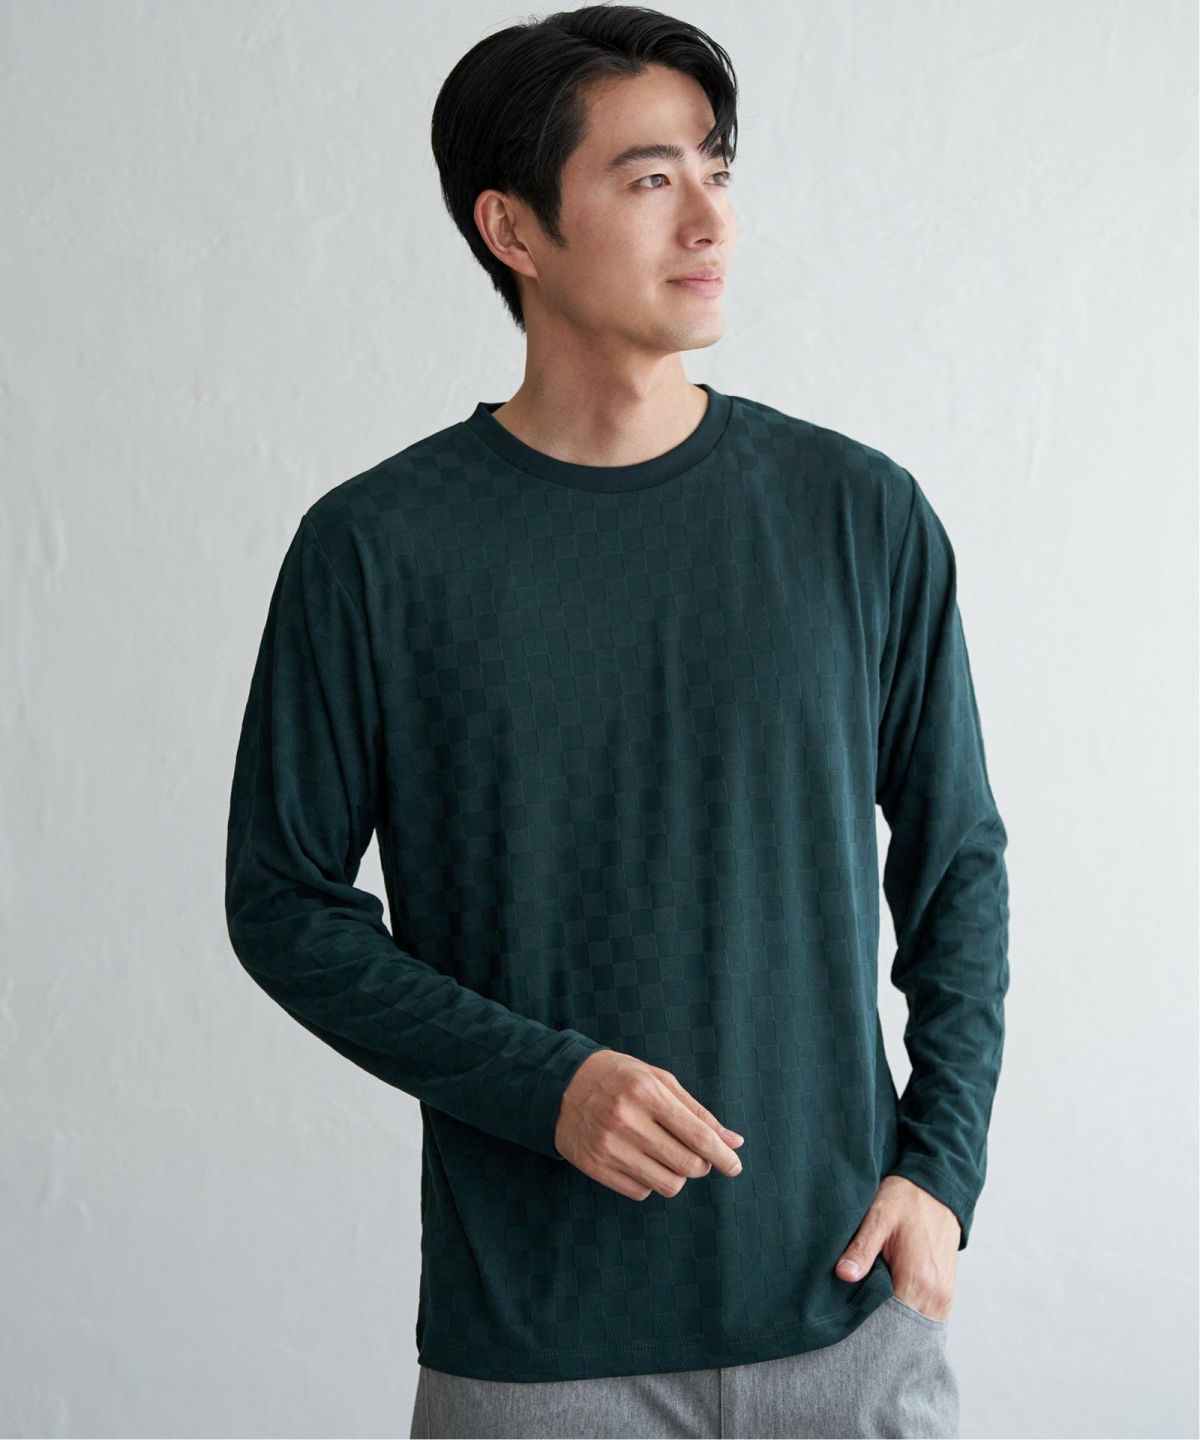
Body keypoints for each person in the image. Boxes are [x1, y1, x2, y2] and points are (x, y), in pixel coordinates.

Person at [224, 6, 1010, 1437]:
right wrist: (548, 1084)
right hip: (539, 1356)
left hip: (849, 1316)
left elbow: (956, 861)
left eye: (717, 167)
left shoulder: (858, 516)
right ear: (513, 229)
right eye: (650, 178)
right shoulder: (377, 550)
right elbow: (282, 902)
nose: (710, 216)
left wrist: (942, 1174)